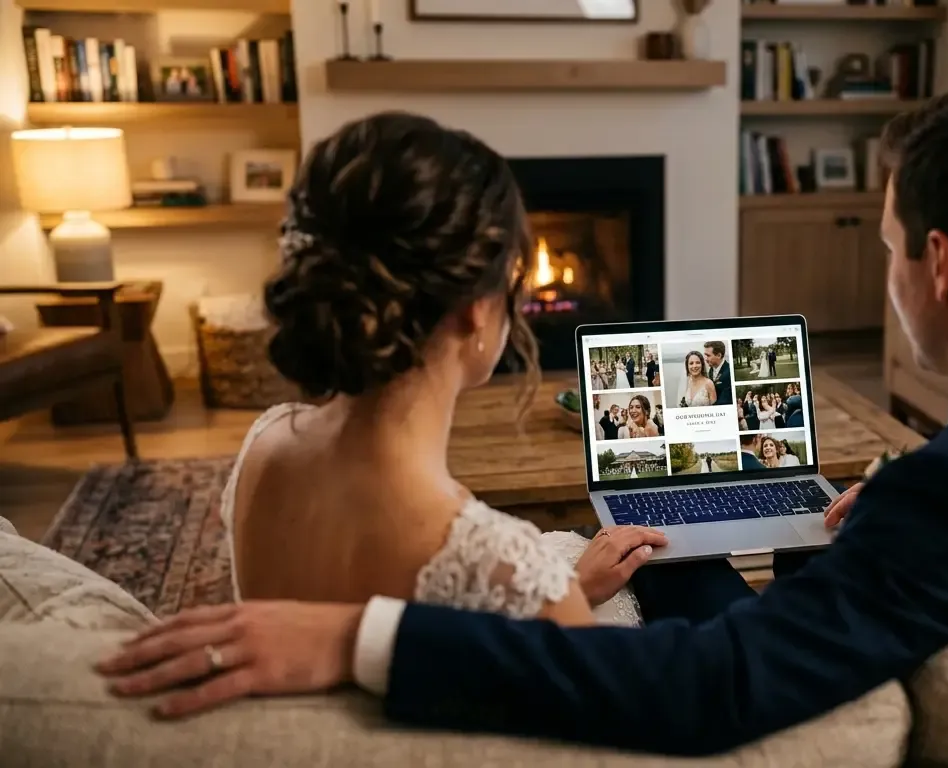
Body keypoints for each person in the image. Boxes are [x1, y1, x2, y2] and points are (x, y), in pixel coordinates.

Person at [98, 77, 948, 757]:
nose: (888, 272)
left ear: (937, 262)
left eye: (886, 247)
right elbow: (942, 584)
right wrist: (842, 547)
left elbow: (715, 686)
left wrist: (356, 634)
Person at [210, 112, 666, 630]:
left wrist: (568, 588)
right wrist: (562, 597)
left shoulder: (264, 442)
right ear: (476, 307)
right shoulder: (501, 564)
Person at [704, 341, 732, 406]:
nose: (706, 359)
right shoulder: (711, 370)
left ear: (719, 355)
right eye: (705, 355)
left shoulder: (729, 373)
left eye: (708, 355)